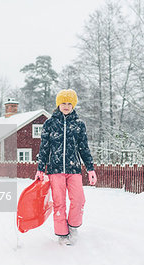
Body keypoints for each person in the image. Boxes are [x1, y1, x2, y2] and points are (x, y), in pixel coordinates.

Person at [35, 89, 97, 245]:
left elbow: (84, 148)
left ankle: (73, 227)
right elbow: (44, 148)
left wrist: (90, 169)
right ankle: (62, 235)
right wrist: (40, 169)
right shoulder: (49, 124)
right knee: (59, 203)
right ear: (58, 104)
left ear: (73, 105)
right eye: (63, 103)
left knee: (79, 200)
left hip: (74, 169)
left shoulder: (79, 125)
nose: (66, 106)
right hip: (55, 171)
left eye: (70, 103)